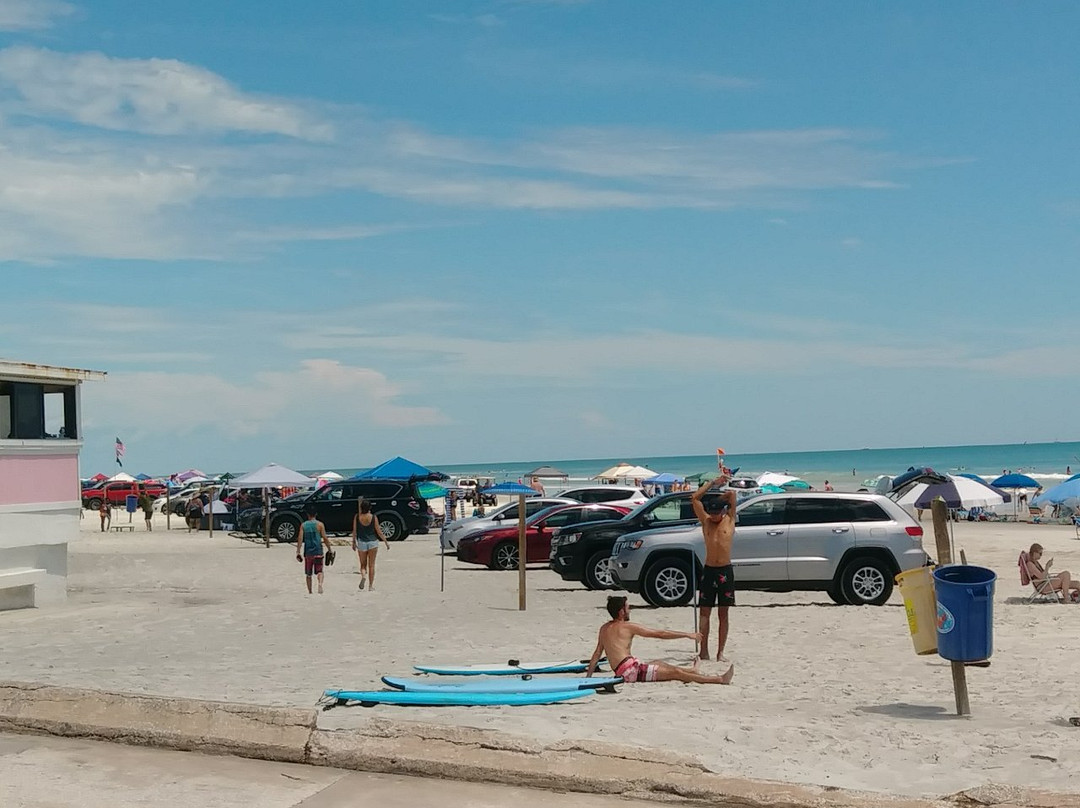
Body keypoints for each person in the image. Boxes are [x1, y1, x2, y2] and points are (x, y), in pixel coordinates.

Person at [586, 596, 733, 684]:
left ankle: (692, 670)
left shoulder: (604, 628)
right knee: (675, 673)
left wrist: (588, 678)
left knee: (658, 663)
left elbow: (597, 654)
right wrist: (688, 635)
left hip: (625, 669)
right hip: (631, 672)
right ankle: (718, 680)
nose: (629, 611)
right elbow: (660, 633)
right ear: (621, 612)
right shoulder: (628, 626)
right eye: (627, 608)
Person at [691, 474, 738, 662]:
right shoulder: (706, 522)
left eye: (717, 512)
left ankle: (720, 652)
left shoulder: (730, 519)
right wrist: (712, 483)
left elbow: (733, 494)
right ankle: (704, 650)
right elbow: (695, 498)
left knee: (723, 614)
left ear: (723, 511)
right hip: (709, 571)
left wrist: (723, 489)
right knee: (704, 613)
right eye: (712, 512)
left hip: (725, 571)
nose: (714, 516)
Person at [352, 499, 389, 591]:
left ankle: (364, 576)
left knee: (363, 565)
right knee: (371, 565)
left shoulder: (357, 517)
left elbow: (354, 531)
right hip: (373, 542)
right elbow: (379, 531)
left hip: (362, 542)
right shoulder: (373, 517)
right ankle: (370, 586)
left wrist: (353, 542)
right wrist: (386, 542)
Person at [297, 508, 332, 595]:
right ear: (316, 514)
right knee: (319, 571)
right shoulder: (320, 525)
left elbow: (300, 539)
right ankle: (320, 584)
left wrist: (298, 551)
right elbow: (325, 538)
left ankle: (310, 591)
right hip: (318, 551)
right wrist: (329, 549)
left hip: (308, 552)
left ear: (307, 515)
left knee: (308, 574)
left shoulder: (303, 525)